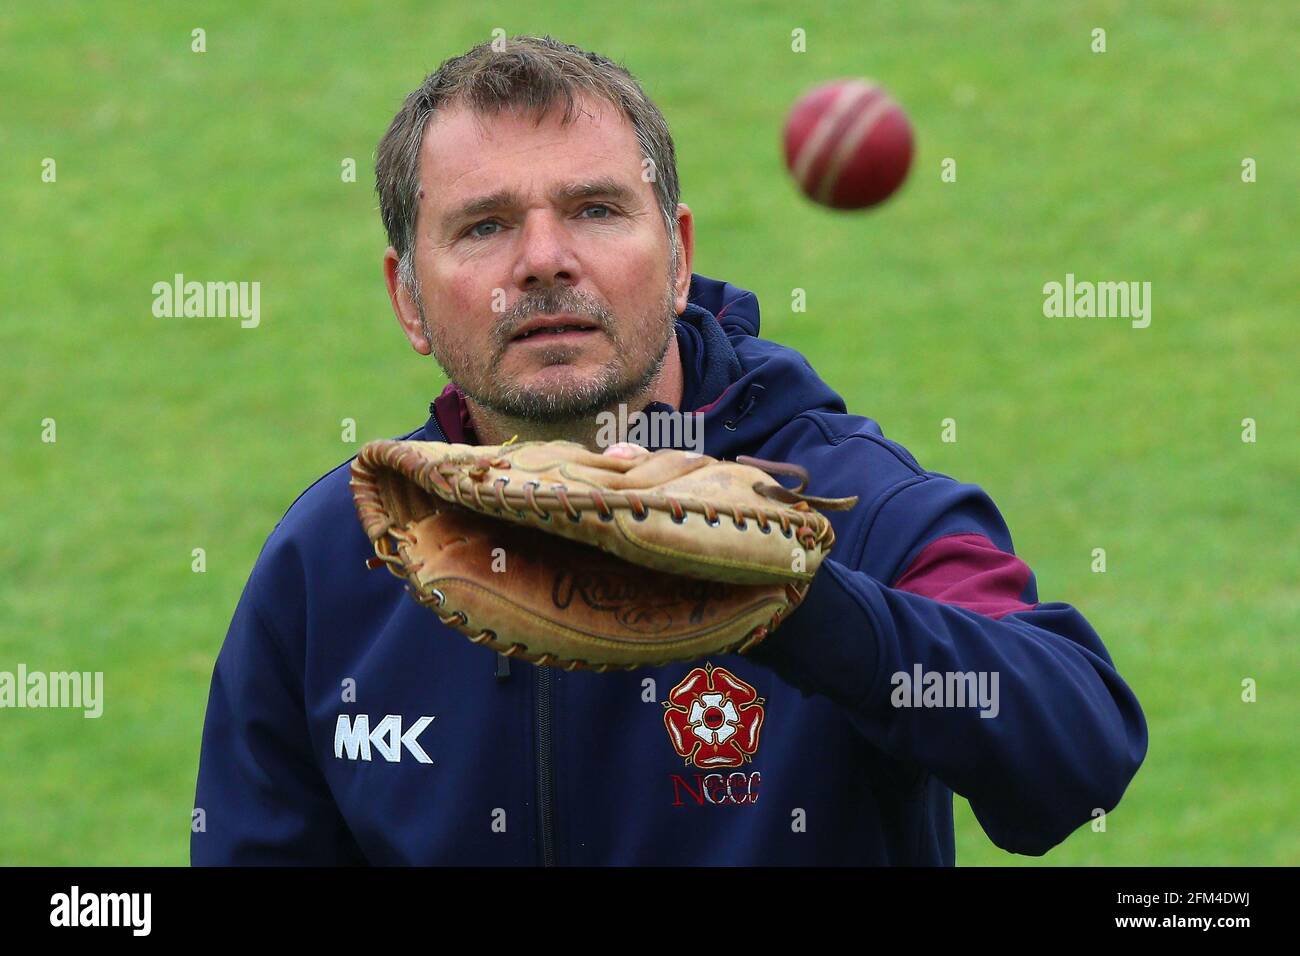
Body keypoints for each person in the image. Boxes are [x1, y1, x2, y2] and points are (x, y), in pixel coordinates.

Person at [191, 35, 1147, 865]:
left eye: (596, 210)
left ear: (679, 256)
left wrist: (806, 612)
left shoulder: (855, 507)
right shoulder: (338, 554)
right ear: (407, 297)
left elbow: (1081, 752)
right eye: (484, 226)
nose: (543, 259)